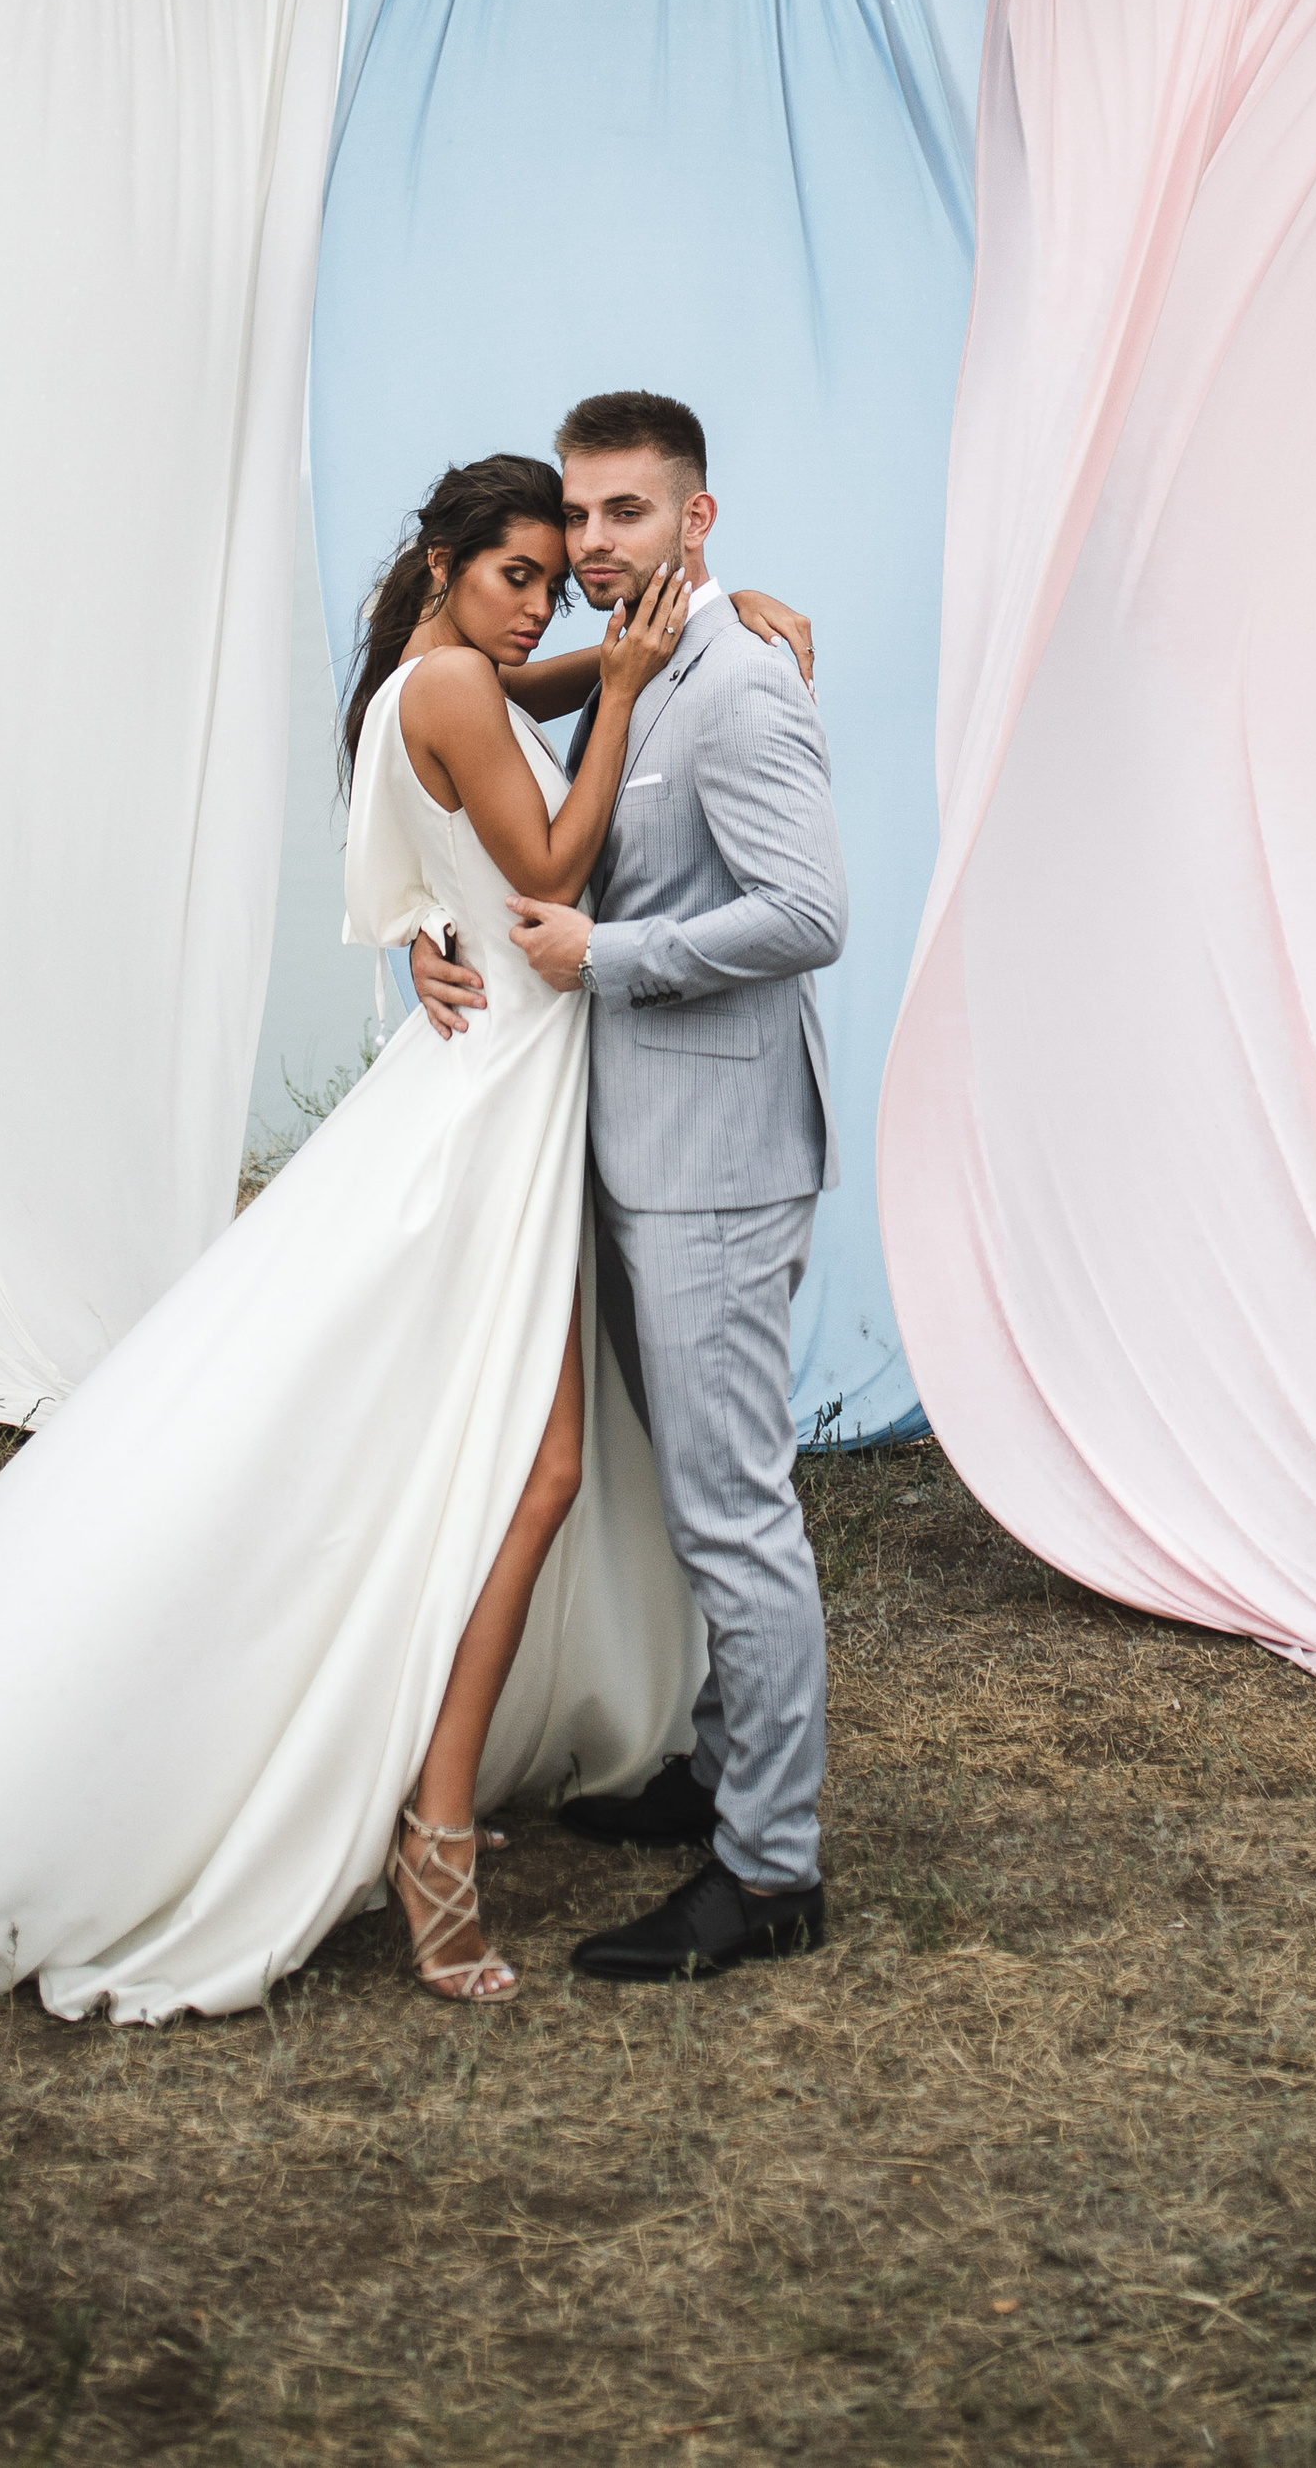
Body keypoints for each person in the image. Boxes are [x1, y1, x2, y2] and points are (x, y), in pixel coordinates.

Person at [0, 455, 807, 2020]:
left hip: (500, 1082)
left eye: (561, 577)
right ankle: (432, 1832)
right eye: (521, 573)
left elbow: (517, 712)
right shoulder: (465, 694)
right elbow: (550, 872)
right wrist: (625, 694)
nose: (547, 602)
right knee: (526, 1468)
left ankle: (440, 1787)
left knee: (489, 1456)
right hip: (500, 1100)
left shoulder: (439, 678)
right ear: (443, 562)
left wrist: (686, 640)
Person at [412, 390, 848, 1983]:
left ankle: (773, 1867)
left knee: (737, 1512)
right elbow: (479, 786)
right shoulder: (629, 664)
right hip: (619, 1149)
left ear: (699, 518)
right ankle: (717, 1770)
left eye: (627, 516)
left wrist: (610, 956)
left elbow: (811, 911)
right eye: (579, 519)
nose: (594, 547)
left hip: (717, 1162)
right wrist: (434, 925)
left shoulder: (738, 686)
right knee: (694, 1496)